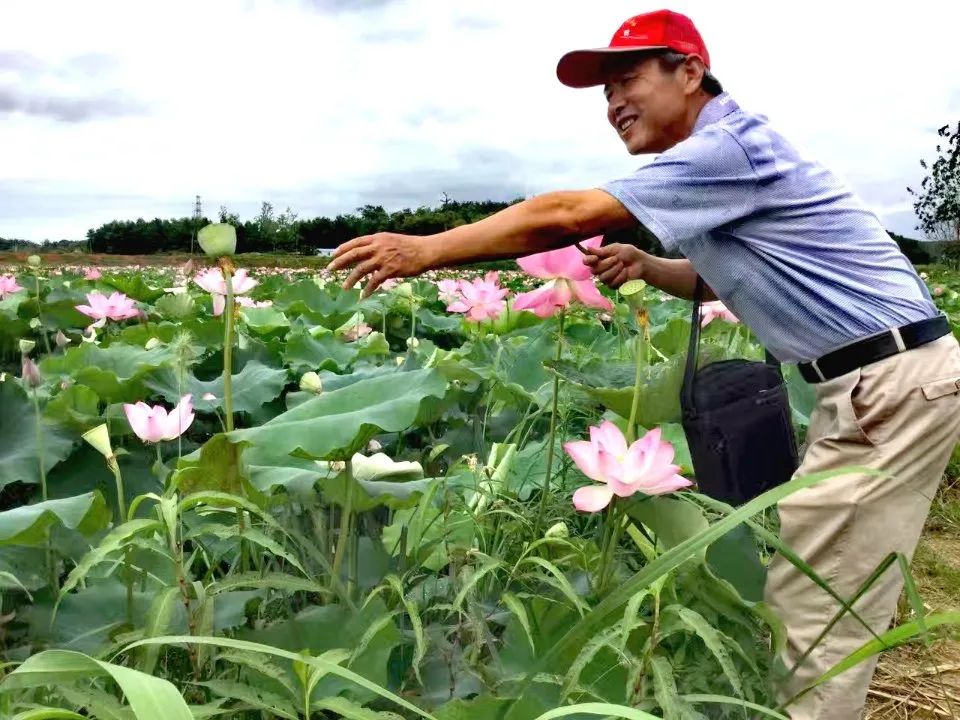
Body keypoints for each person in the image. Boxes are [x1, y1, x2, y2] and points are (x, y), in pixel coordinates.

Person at [328, 9, 960, 719]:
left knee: (820, 601)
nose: (613, 104)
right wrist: (648, 265)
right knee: (818, 577)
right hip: (882, 376)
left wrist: (425, 249)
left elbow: (569, 212)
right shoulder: (722, 165)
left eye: (627, 79)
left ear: (690, 73)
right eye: (604, 94)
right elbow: (730, 278)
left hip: (887, 380)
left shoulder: (725, 147)